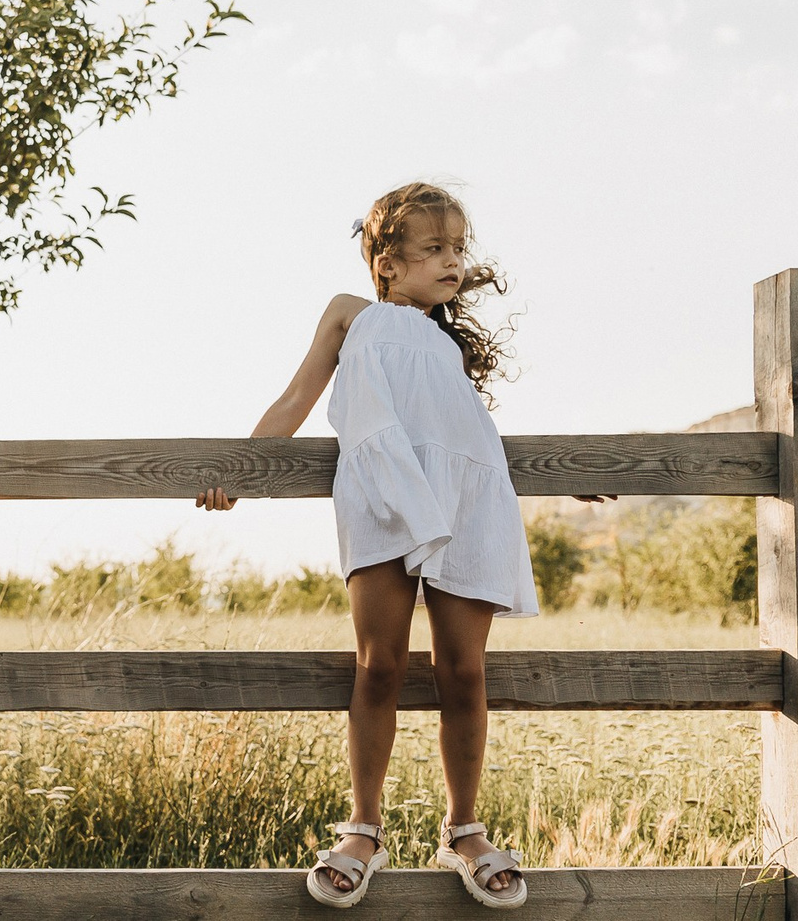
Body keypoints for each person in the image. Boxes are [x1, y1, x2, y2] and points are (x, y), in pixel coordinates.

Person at [199, 182, 598, 911]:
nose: (453, 263)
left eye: (458, 250)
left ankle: (464, 829)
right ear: (386, 262)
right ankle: (363, 829)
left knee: (464, 670)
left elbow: (471, 436)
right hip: (382, 492)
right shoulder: (351, 315)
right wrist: (240, 472)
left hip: (465, 502)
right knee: (378, 663)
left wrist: (570, 475)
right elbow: (294, 400)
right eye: (435, 250)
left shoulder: (446, 344)